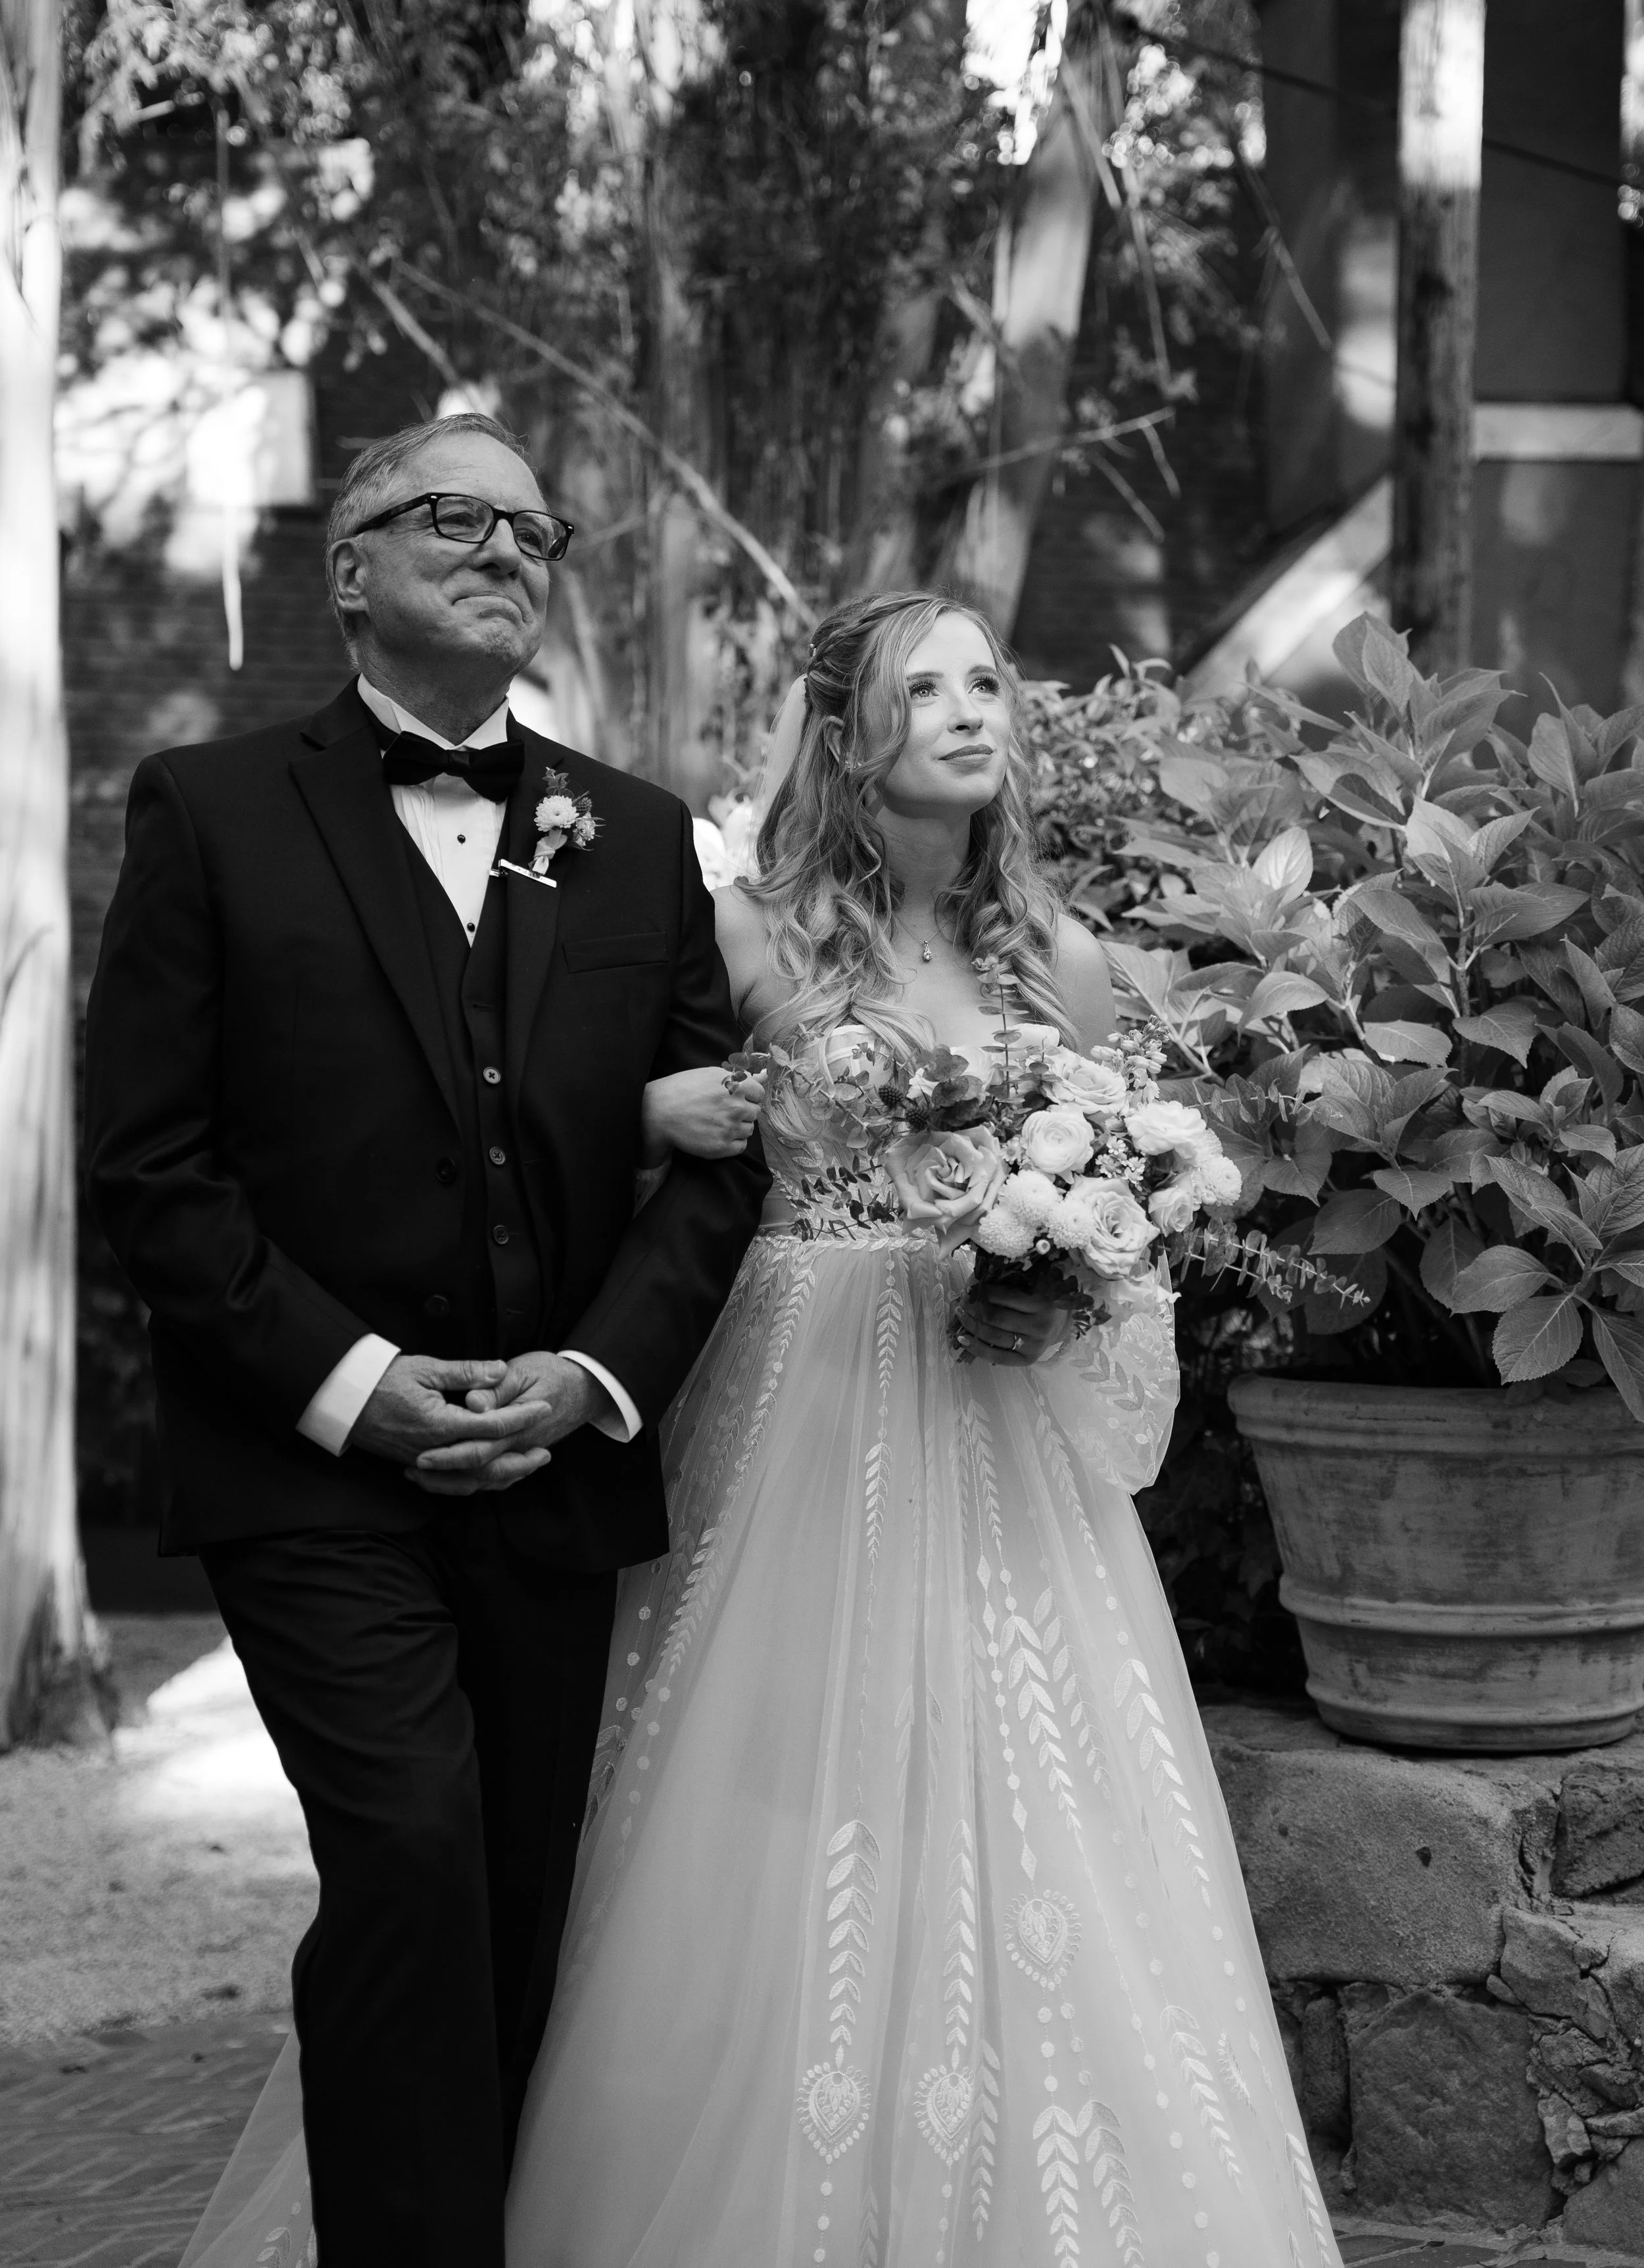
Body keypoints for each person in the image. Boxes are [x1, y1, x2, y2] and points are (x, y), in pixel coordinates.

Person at [503, 592, 1345, 2265]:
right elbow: (604, 1155)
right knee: (775, 1800)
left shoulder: (1069, 960)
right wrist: (646, 1112)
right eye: (923, 687)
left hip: (997, 1422)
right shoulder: (738, 933)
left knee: (1044, 1811)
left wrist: (1073, 1284)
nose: (969, 711)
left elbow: (1123, 1225)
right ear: (842, 730)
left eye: (986, 684)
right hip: (802, 1401)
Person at [82, 411, 769, 2268]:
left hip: (556, 1460)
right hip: (307, 1464)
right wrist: (353, 1383)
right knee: (407, 1846)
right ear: (351, 565)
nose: (502, 544)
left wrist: (596, 1373)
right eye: (446, 512)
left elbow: (713, 1153)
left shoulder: (632, 839)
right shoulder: (208, 808)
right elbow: (153, 1166)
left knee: (525, 1911)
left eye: (531, 526)